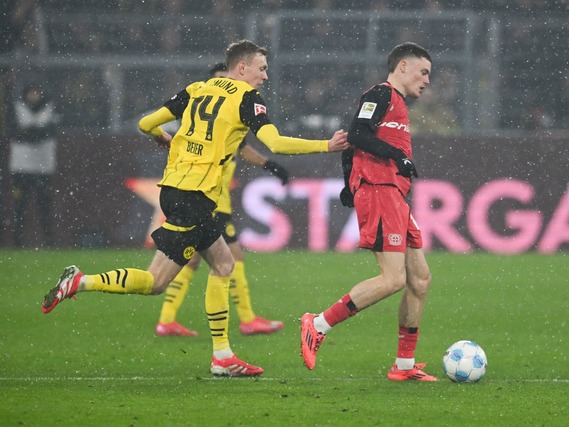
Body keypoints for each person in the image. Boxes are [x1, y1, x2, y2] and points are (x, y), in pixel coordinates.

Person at [42, 39, 348, 378]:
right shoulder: (247, 98)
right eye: (261, 69)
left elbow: (145, 124)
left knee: (223, 262)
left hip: (176, 188)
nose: (265, 76)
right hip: (194, 196)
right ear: (242, 67)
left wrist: (161, 136)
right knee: (157, 281)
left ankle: (223, 356)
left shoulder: (196, 89)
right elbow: (275, 142)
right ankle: (81, 282)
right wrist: (326, 145)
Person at [301, 42, 438, 382]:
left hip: (392, 194)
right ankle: (317, 324)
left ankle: (404, 366)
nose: (427, 81)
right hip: (379, 190)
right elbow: (358, 133)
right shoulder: (380, 94)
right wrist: (397, 157)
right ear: (403, 66)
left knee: (419, 279)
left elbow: (354, 141)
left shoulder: (396, 104)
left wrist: (348, 183)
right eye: (423, 72)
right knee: (394, 279)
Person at [155, 62, 287, 337]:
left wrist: (269, 165)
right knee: (230, 259)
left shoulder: (221, 115)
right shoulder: (210, 116)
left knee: (194, 261)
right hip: (207, 198)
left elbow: (242, 149)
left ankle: (167, 320)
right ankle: (246, 320)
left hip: (204, 196)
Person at [10, 83, 59, 247]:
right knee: (20, 205)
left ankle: (48, 241)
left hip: (44, 166)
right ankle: (16, 242)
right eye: (30, 93)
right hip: (21, 165)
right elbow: (15, 132)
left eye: (36, 92)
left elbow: (49, 131)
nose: (33, 96)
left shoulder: (49, 108)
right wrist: (38, 131)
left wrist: (30, 131)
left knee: (44, 205)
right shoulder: (17, 108)